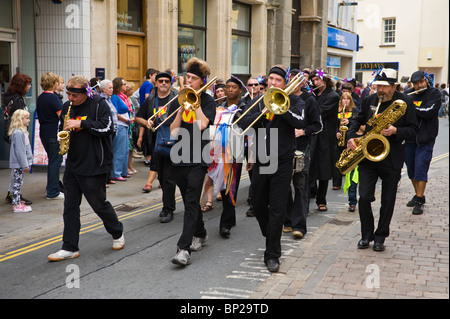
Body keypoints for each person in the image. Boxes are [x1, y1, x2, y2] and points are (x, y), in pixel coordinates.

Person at [238, 65, 307, 272]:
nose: (273, 83)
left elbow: (300, 121)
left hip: (282, 162)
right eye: (271, 79)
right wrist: (263, 112)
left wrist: (281, 108)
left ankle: (272, 255)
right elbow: (242, 123)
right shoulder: (258, 101)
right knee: (258, 205)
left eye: (278, 80)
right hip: (261, 161)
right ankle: (271, 233)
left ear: (285, 83)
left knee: (277, 209)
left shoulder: (295, 100)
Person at [47, 75, 124, 261]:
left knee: (98, 204)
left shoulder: (99, 104)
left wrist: (82, 123)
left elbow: (109, 127)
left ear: (85, 92)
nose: (70, 98)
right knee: (70, 206)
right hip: (73, 163)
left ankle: (117, 232)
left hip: (94, 163)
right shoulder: (67, 107)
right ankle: (69, 247)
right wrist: (61, 135)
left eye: (74, 95)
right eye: (68, 94)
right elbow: (61, 126)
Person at [346, 68, 418, 252]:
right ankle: (366, 235)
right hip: (368, 158)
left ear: (394, 86)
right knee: (364, 198)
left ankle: (380, 237)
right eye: (379, 85)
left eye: (385, 87)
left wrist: (396, 131)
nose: (381, 90)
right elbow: (357, 119)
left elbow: (413, 129)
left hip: (392, 157)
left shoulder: (406, 101)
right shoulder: (370, 99)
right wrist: (352, 136)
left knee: (388, 200)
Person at [166, 57, 216, 266]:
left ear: (201, 81)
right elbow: (173, 131)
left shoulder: (207, 101)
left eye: (193, 79)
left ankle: (183, 249)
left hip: (198, 157)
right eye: (187, 77)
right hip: (179, 155)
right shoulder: (179, 99)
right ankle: (201, 232)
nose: (188, 82)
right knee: (190, 201)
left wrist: (194, 103)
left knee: (192, 200)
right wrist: (180, 108)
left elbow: (203, 125)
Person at [283, 69, 322, 239]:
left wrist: (303, 131)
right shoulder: (283, 99)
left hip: (301, 148)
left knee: (300, 186)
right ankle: (287, 221)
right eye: (289, 80)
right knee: (283, 186)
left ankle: (299, 225)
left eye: (295, 81)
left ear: (302, 83)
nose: (291, 84)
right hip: (283, 148)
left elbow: (318, 125)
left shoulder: (309, 100)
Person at [136, 71, 177, 223]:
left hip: (174, 142)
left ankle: (168, 209)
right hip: (156, 143)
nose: (164, 83)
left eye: (167, 81)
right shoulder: (151, 99)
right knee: (162, 177)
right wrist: (146, 123)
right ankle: (167, 206)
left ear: (170, 83)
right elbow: (138, 117)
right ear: (156, 83)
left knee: (169, 178)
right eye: (161, 81)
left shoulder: (176, 98)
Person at [209, 77, 247, 237]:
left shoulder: (244, 107)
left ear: (240, 90)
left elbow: (249, 133)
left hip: (235, 152)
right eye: (228, 87)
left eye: (234, 87)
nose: (230, 90)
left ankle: (225, 225)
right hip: (220, 151)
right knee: (223, 187)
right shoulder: (219, 106)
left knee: (230, 187)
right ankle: (230, 218)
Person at [404, 70, 441, 215]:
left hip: (426, 137)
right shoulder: (409, 94)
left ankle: (419, 200)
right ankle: (418, 194)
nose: (419, 86)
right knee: (411, 170)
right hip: (409, 137)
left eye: (421, 82)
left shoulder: (434, 93)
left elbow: (429, 112)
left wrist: (411, 109)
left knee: (421, 167)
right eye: (416, 83)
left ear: (426, 81)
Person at [309, 69, 340, 212]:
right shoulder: (312, 95)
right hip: (312, 134)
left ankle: (322, 199)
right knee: (309, 165)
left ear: (325, 80)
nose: (316, 83)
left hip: (325, 136)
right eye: (314, 80)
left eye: (318, 80)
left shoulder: (332, 96)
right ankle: (309, 195)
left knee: (323, 168)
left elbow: (319, 112)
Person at [3, 73, 33, 206]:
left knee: (16, 168)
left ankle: (12, 192)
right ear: (22, 86)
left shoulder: (10, 97)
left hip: (10, 133)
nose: (30, 87)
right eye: (28, 84)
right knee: (19, 168)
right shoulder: (17, 100)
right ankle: (15, 194)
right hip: (17, 135)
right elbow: (20, 119)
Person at [36, 72, 64, 200]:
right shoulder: (53, 98)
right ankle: (53, 191)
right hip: (53, 132)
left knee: (53, 160)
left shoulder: (40, 97)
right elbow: (61, 116)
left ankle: (53, 188)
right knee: (55, 161)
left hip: (44, 132)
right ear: (54, 84)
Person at [334, 92, 360, 211]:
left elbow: (359, 125)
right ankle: (336, 183)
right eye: (343, 99)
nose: (345, 101)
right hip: (339, 144)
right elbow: (332, 125)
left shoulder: (354, 112)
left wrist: (350, 122)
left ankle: (352, 201)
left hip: (350, 144)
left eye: (347, 99)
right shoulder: (337, 112)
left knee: (352, 173)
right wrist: (336, 132)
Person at [8, 109, 33, 213]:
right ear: (19, 119)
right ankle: (17, 204)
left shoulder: (22, 132)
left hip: (20, 164)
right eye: (26, 118)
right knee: (17, 184)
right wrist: (25, 165)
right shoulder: (18, 133)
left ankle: (18, 202)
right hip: (19, 164)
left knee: (18, 183)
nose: (29, 120)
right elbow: (20, 151)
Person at [110, 77, 132, 181]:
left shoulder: (123, 97)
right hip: (120, 125)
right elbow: (115, 113)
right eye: (123, 84)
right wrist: (126, 120)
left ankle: (123, 171)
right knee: (119, 150)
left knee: (125, 150)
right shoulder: (115, 97)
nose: (125, 86)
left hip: (125, 125)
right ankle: (116, 172)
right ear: (119, 86)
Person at [99, 79, 118, 187]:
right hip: (106, 130)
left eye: (112, 87)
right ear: (103, 89)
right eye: (110, 88)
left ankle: (108, 177)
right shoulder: (102, 100)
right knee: (106, 153)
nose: (112, 90)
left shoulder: (109, 99)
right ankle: (104, 179)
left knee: (110, 153)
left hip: (113, 130)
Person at [125, 81, 138, 175]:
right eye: (131, 89)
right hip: (127, 125)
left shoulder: (130, 99)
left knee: (131, 148)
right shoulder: (125, 99)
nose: (133, 91)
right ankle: (126, 167)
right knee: (127, 148)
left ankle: (130, 166)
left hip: (132, 125)